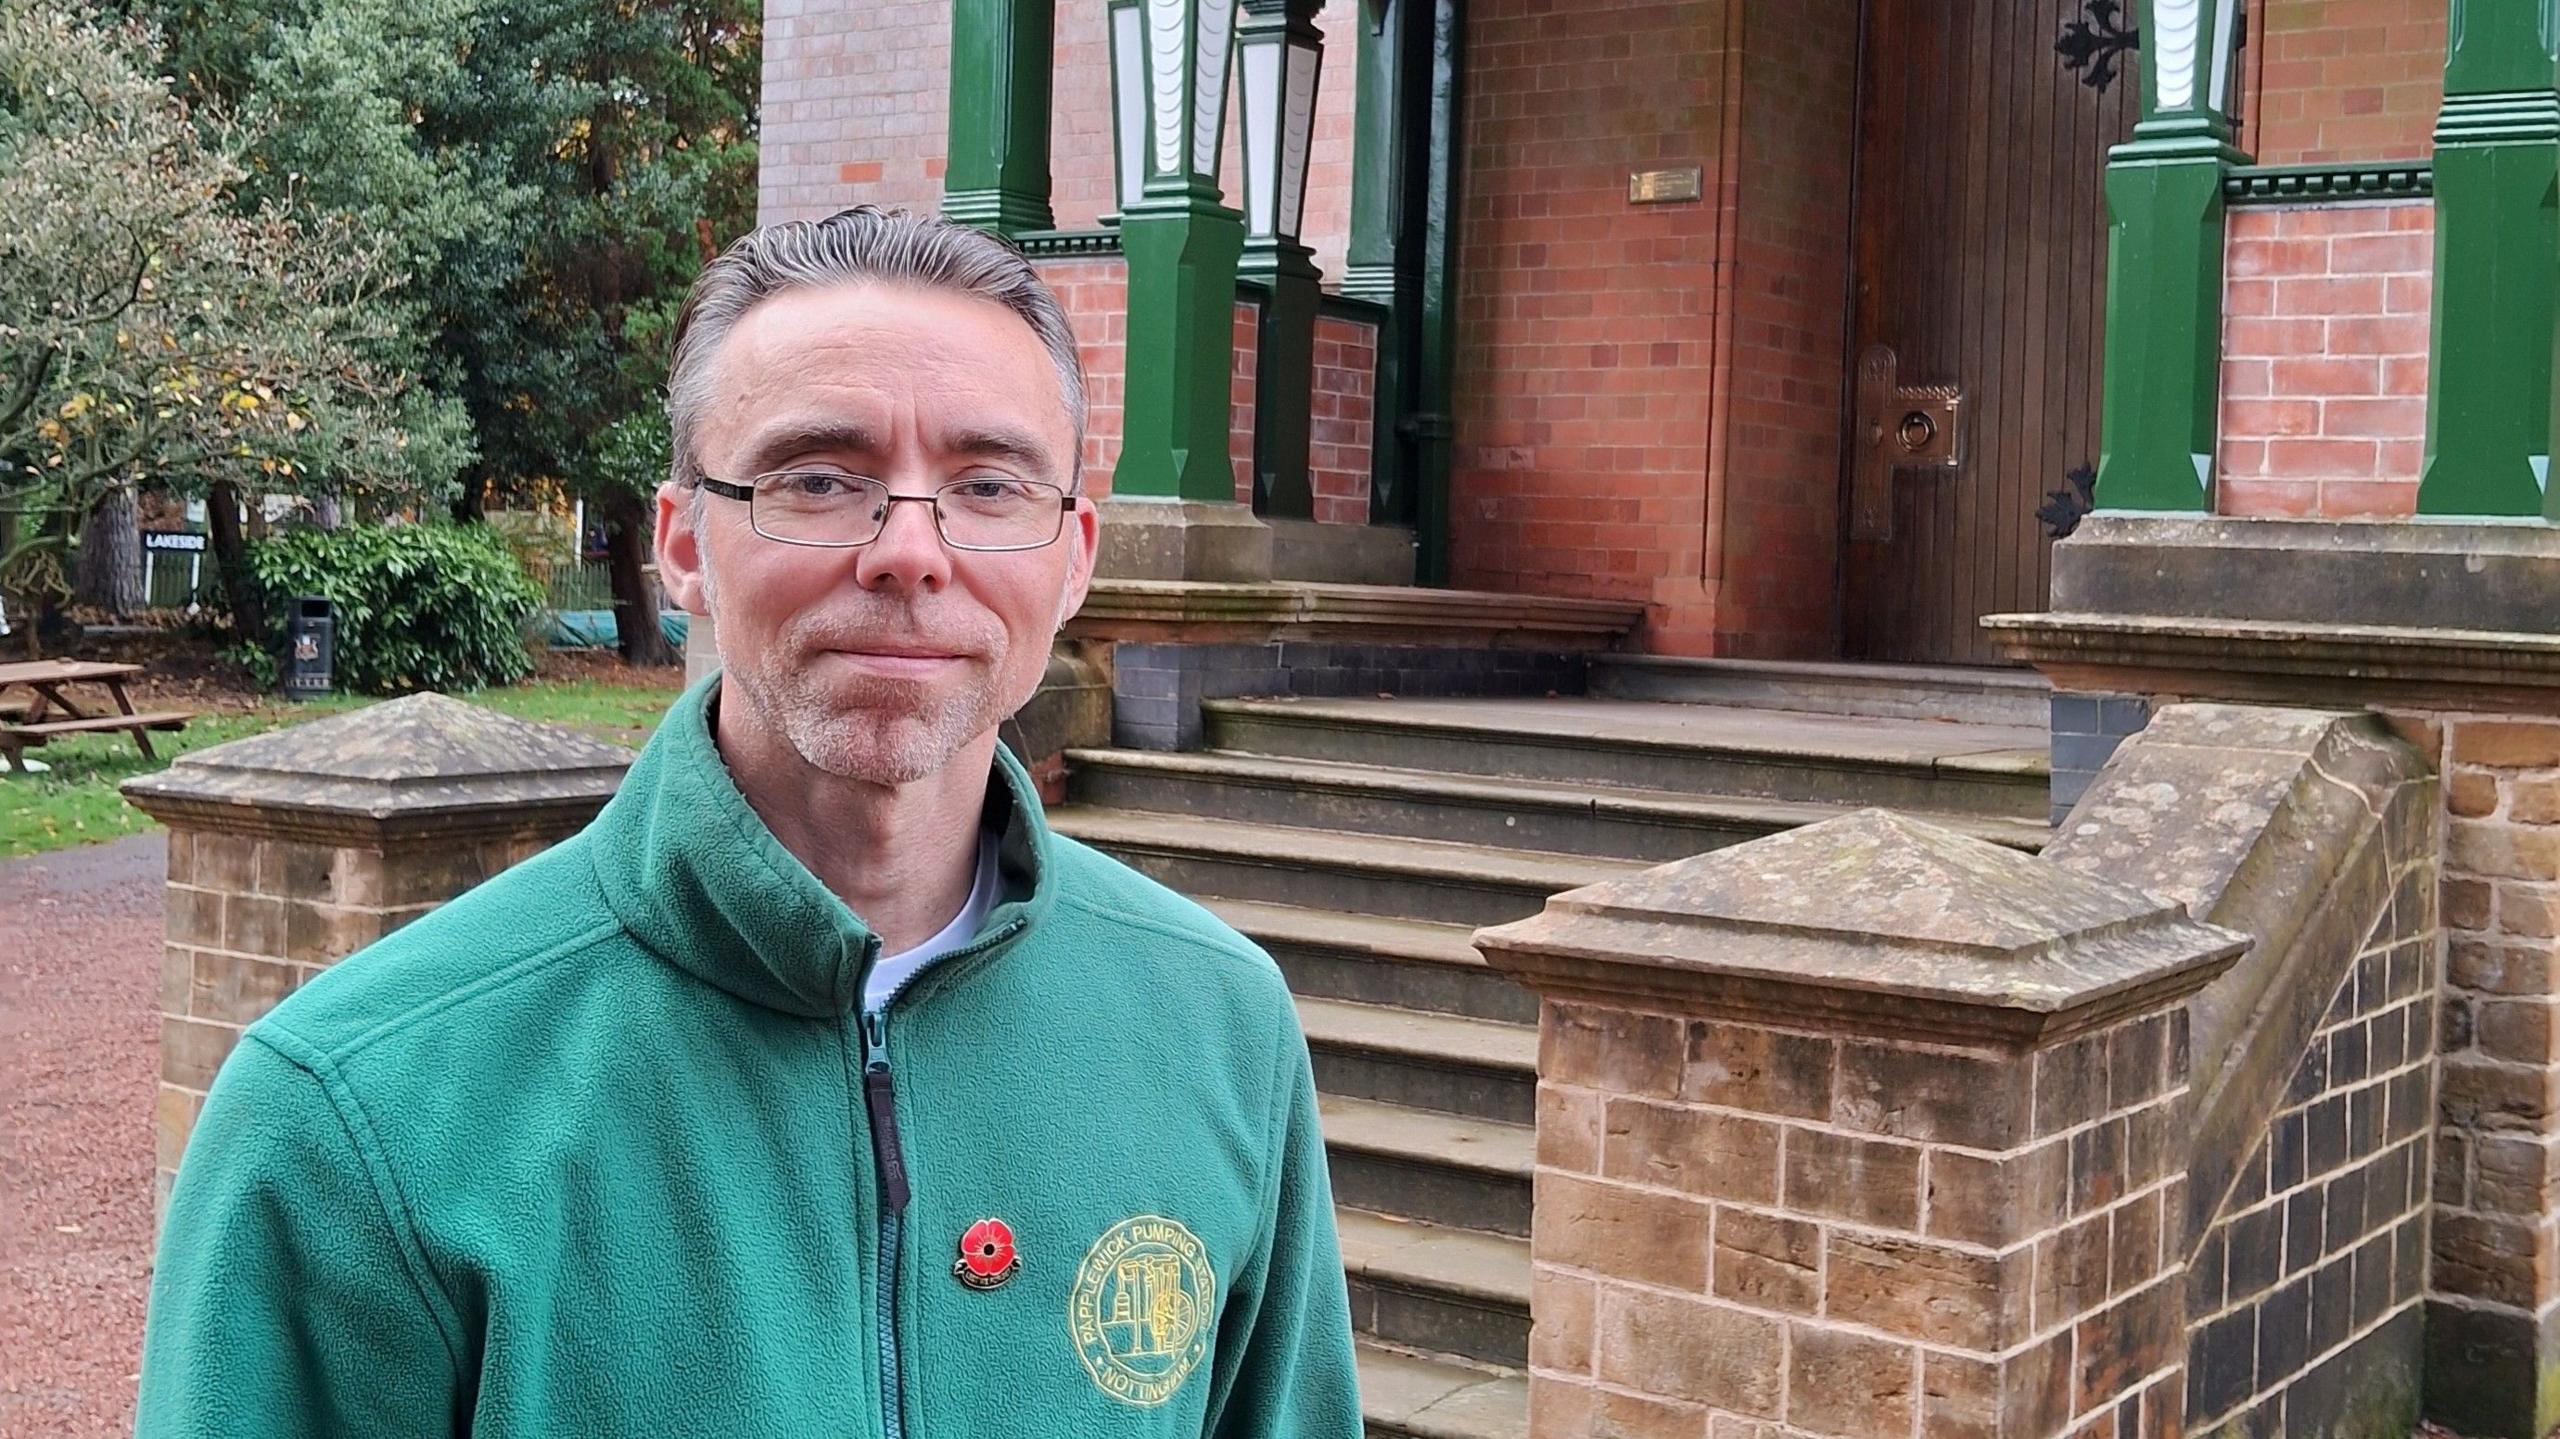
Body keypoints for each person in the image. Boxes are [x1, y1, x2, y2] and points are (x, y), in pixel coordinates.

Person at [135, 206, 1362, 1438]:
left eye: (988, 484)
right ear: (682, 543)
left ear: (1073, 556)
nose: (911, 551)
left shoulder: (1219, 1028)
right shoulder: (357, 1114)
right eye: (819, 480)